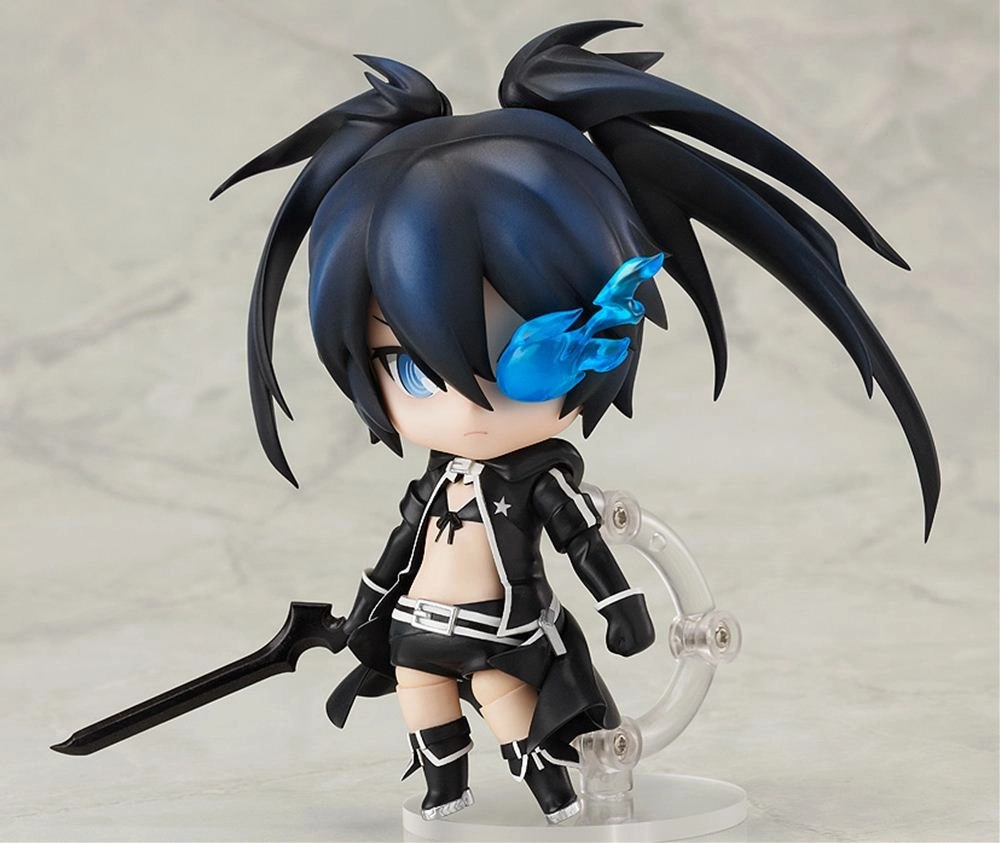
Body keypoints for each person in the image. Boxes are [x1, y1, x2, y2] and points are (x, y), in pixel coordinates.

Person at [212, 20, 939, 823]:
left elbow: (582, 541)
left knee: (508, 708)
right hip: (419, 627)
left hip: (500, 628)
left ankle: (555, 799)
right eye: (409, 366)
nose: (467, 404)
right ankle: (445, 792)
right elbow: (399, 547)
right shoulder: (437, 480)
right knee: (423, 702)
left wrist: (621, 604)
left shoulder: (537, 479)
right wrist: (366, 608)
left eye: (520, 356)